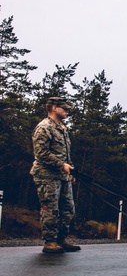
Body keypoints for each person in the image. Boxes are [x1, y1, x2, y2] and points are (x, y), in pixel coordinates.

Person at [31, 97, 80, 254]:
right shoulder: (44, 127)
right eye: (63, 108)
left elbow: (65, 153)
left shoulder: (62, 128)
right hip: (47, 176)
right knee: (50, 209)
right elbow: (41, 153)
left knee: (68, 209)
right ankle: (50, 241)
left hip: (63, 176)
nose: (67, 111)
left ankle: (61, 239)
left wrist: (70, 170)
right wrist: (61, 165)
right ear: (53, 108)